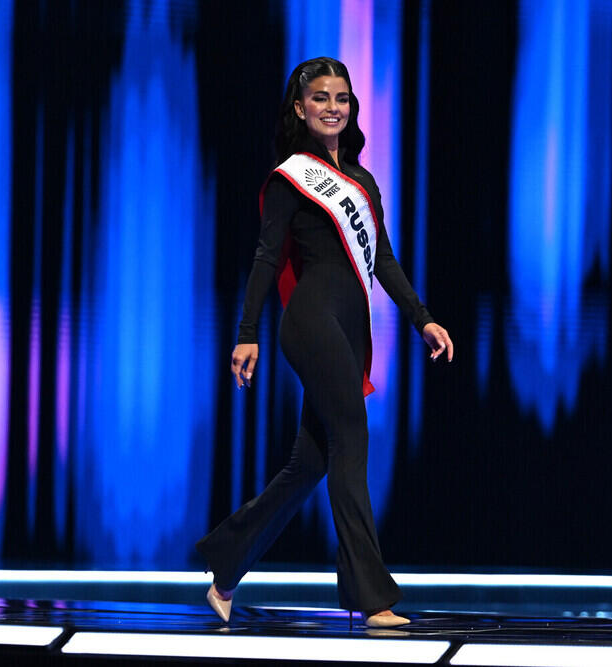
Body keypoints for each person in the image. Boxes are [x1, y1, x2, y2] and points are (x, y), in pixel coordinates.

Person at [195, 56, 453, 629]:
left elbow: (381, 258)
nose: (332, 107)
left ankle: (227, 562)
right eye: (320, 98)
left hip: (347, 325)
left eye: (341, 98)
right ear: (299, 108)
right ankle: (370, 595)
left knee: (308, 463)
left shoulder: (361, 182)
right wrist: (246, 334)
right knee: (351, 441)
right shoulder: (292, 176)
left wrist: (422, 318)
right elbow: (266, 257)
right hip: (309, 323)